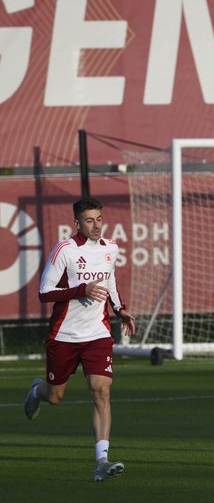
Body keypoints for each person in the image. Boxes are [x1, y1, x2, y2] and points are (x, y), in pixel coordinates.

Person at [24, 197, 137, 482]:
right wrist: (80, 289)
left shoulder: (111, 248)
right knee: (55, 396)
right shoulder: (65, 249)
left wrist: (120, 310)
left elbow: (110, 281)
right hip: (64, 335)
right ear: (77, 223)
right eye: (89, 220)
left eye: (99, 219)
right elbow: (44, 292)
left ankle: (102, 460)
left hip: (97, 334)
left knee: (101, 392)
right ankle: (38, 390)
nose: (96, 225)